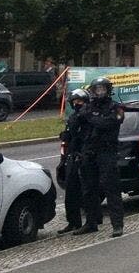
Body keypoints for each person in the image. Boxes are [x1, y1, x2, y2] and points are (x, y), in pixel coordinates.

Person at [75, 77, 125, 238]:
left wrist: (92, 118)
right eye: (97, 89)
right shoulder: (89, 107)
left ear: (108, 90)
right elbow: (78, 119)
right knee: (89, 190)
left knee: (111, 189)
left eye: (103, 89)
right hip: (90, 152)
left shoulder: (115, 108)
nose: (100, 92)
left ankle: (117, 225)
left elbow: (108, 124)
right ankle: (91, 223)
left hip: (107, 152)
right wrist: (92, 118)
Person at [57, 88, 90, 233]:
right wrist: (65, 136)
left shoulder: (88, 117)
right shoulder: (72, 117)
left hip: (84, 156)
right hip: (72, 156)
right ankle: (73, 221)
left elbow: (87, 136)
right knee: (70, 191)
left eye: (80, 101)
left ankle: (91, 221)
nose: (77, 104)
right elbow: (70, 135)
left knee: (87, 191)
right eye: (75, 101)